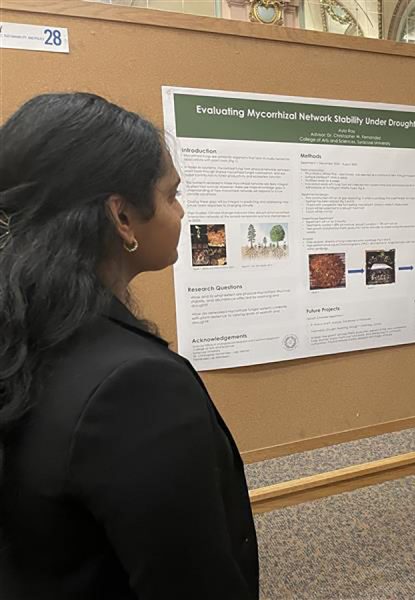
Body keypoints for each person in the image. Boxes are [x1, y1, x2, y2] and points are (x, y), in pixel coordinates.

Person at [0, 93, 259, 599]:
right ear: (121, 216)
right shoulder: (135, 385)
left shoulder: (26, 336)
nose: (181, 211)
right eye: (170, 194)